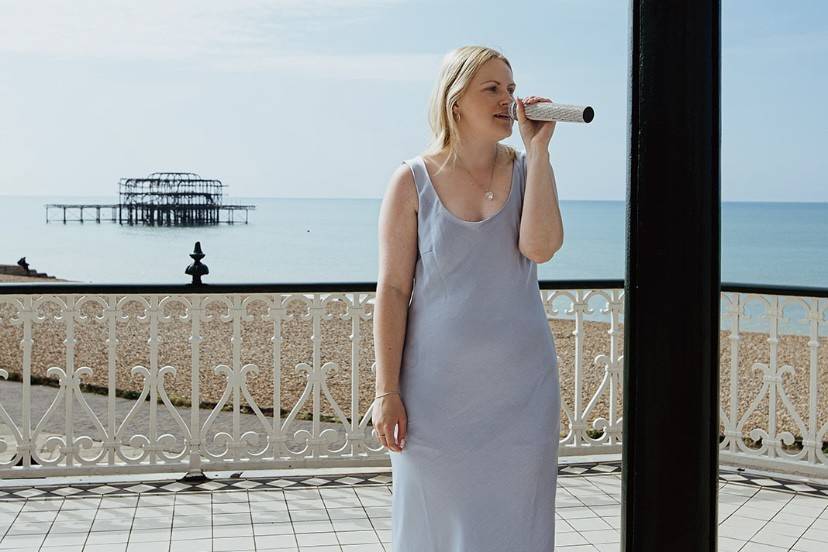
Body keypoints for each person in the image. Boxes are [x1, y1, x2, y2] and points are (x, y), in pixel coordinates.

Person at [372, 45, 564, 551]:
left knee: (517, 529)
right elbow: (392, 290)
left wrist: (539, 151)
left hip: (523, 395)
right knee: (433, 529)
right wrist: (386, 391)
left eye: (511, 88)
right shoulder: (411, 181)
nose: (508, 99)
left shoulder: (526, 170)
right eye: (493, 88)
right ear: (456, 100)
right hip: (434, 398)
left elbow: (540, 247)